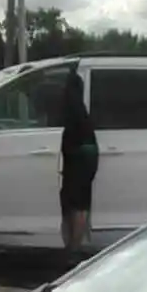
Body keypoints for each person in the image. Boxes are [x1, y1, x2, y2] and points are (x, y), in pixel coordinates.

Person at [59, 68, 98, 257]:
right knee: (80, 204)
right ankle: (75, 245)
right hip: (86, 159)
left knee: (77, 205)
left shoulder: (71, 111)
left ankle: (74, 247)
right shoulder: (81, 109)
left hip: (79, 160)